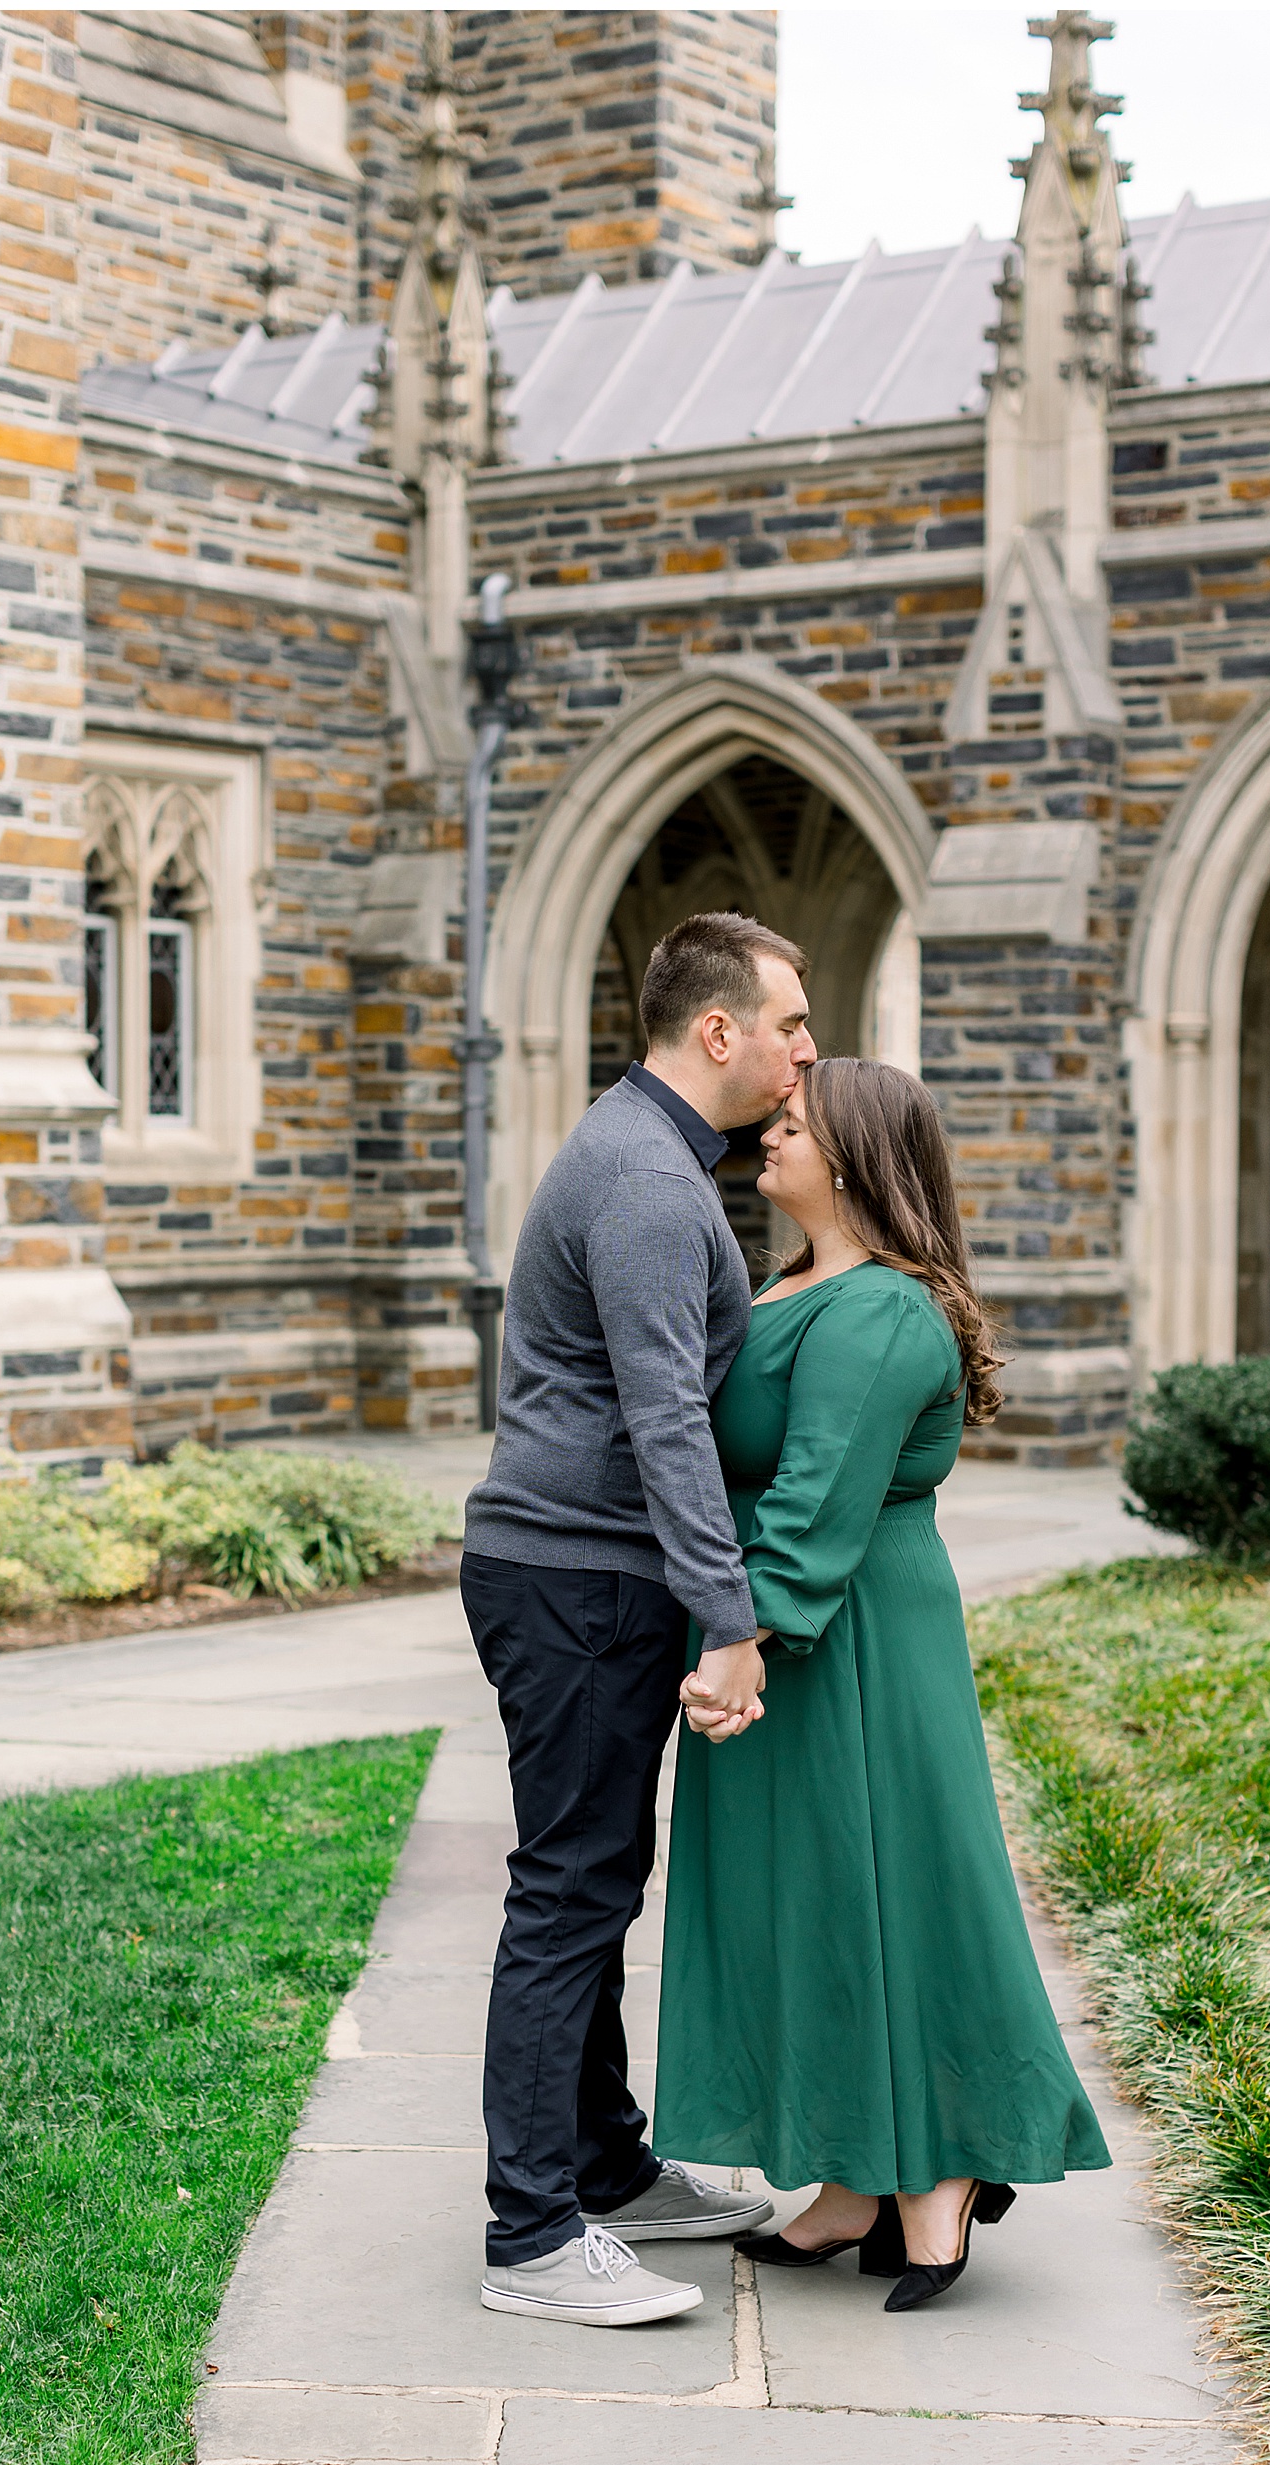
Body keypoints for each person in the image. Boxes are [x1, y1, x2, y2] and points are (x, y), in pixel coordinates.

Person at [659, 1058, 1112, 2311]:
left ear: (853, 1156)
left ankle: (945, 2174)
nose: (769, 1134)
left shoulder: (879, 1313)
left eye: (792, 1125)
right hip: (794, 1627)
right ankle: (856, 2174)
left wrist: (744, 1636)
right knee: (814, 1899)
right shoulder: (799, 1284)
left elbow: (813, 1505)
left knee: (896, 1888)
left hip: (848, 1638)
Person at [461, 911, 815, 2327]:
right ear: (715, 1030)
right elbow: (665, 1413)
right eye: (788, 1021)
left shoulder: (644, 1154)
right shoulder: (653, 1185)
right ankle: (533, 2236)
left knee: (596, 1876)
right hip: (580, 1577)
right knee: (569, 1890)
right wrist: (727, 1617)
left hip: (581, 1571)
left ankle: (604, 2165)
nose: (806, 1047)